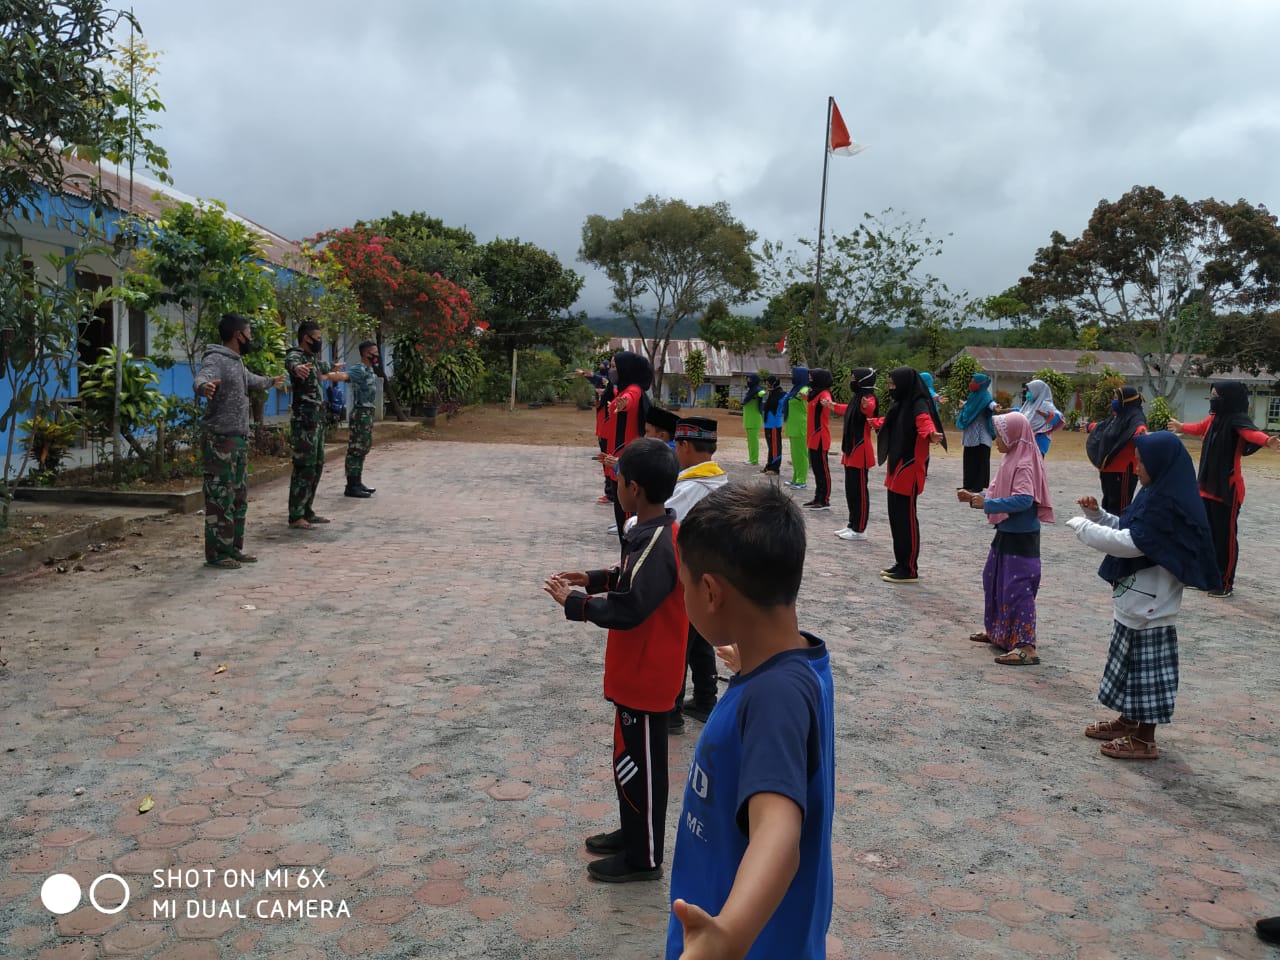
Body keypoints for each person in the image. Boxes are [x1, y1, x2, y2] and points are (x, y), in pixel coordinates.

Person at [665, 482, 834, 959]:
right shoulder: (793, 665)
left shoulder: (775, 695)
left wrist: (727, 936)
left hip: (744, 944)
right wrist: (750, 665)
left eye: (684, 587)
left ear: (711, 592)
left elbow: (778, 830)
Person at [545, 438, 687, 883]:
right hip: (638, 672)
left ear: (635, 488)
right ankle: (633, 833)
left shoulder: (658, 542)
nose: (615, 484)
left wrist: (578, 603)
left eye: (618, 478)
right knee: (631, 764)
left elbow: (630, 607)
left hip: (648, 674)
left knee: (641, 769)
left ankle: (643, 858)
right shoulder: (650, 529)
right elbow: (630, 578)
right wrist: (593, 577)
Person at [1065, 431, 1221, 760]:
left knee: (1147, 671)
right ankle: (1128, 720)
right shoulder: (1153, 493)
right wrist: (1098, 516)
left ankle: (1145, 739)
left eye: (1141, 460)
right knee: (1127, 663)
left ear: (1160, 463)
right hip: (1135, 600)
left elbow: (1134, 543)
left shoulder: (1170, 504)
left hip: (1153, 605)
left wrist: (1085, 528)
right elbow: (1129, 526)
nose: (1135, 466)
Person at [956, 413, 1053, 665]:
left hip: (1021, 537)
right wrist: (976, 495)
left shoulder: (1024, 463)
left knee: (1018, 589)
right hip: (1007, 532)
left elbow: (1023, 499)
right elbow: (1004, 490)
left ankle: (1025, 646)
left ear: (1013, 435)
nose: (997, 440)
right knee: (994, 579)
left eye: (1000, 435)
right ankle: (999, 632)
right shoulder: (1013, 457)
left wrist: (987, 503)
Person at [1168, 381, 1280, 597]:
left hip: (1228, 489)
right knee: (1206, 536)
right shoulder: (1214, 419)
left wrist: (1267, 441)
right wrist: (1182, 427)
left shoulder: (1238, 421)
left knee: (1224, 538)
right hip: (1206, 488)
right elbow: (1199, 427)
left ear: (1228, 398)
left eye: (1215, 395)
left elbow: (1251, 435)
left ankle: (1224, 582)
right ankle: (1205, 578)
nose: (1212, 399)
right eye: (1211, 395)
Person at [193, 313, 285, 569]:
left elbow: (250, 379)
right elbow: (202, 377)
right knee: (220, 496)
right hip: (220, 440)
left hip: (238, 439)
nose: (251, 338)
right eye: (249, 333)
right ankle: (217, 554)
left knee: (238, 497)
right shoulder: (216, 359)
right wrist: (204, 387)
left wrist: (270, 381)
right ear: (238, 335)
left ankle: (234, 548)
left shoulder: (236, 362)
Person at [662, 416, 729, 734]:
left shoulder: (689, 488)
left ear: (685, 446)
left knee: (678, 642)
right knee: (700, 639)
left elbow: (661, 522)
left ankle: (671, 709)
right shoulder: (720, 481)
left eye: (677, 445)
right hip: (713, 577)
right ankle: (704, 699)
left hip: (688, 577)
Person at [872, 367, 946, 583]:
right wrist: (875, 423)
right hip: (897, 466)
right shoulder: (902, 403)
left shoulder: (919, 403)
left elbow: (925, 422)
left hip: (910, 468)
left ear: (904, 384)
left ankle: (910, 568)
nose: (891, 388)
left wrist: (930, 434)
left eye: (893, 384)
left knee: (907, 519)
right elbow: (892, 421)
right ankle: (900, 562)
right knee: (896, 517)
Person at [285, 321, 349, 530]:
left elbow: (324, 367)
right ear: (306, 338)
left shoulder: (313, 360)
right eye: (317, 338)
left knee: (316, 465)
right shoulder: (296, 356)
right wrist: (297, 369)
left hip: (317, 421)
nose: (320, 342)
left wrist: (334, 368)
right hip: (305, 421)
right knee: (304, 466)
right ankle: (296, 514)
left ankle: (307, 510)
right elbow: (292, 363)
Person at [599, 351, 653, 544]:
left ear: (626, 369)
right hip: (616, 464)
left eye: (614, 367)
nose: (611, 370)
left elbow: (630, 398)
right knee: (620, 513)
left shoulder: (633, 391)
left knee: (629, 529)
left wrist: (624, 402)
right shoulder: (620, 390)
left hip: (626, 465)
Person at [828, 368, 878, 541]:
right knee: (851, 490)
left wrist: (866, 406)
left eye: (854, 378)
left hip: (861, 450)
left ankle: (860, 528)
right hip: (850, 449)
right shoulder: (857, 398)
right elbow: (848, 409)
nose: (852, 380)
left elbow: (870, 407)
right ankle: (852, 524)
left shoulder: (869, 397)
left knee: (860, 492)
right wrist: (832, 406)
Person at [1085, 386, 1147, 514]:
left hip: (1123, 471)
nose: (1114, 401)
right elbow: (1106, 427)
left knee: (1120, 509)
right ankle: (1108, 533)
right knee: (1108, 504)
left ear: (1126, 400)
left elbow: (1139, 426)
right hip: (1109, 468)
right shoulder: (1118, 416)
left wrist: (1141, 432)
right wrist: (1090, 426)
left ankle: (1119, 532)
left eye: (1116, 398)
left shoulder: (1135, 415)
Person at [343, 340, 381, 499]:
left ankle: (357, 482)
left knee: (363, 448)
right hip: (360, 413)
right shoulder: (358, 369)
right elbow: (346, 376)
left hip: (367, 413)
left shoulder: (369, 370)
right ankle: (351, 485)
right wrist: (328, 374)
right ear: (366, 354)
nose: (377, 356)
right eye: (375, 353)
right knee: (356, 449)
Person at [577, 363, 615, 505]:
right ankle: (610, 491)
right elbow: (594, 379)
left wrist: (589, 374)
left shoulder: (609, 384)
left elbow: (600, 379)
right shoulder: (604, 383)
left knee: (608, 461)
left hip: (608, 431)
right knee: (605, 460)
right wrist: (584, 374)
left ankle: (611, 493)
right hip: (602, 430)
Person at [955, 372, 997, 493]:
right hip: (971, 434)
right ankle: (967, 484)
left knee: (980, 460)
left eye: (973, 381)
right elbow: (970, 406)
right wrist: (964, 405)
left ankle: (978, 486)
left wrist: (995, 407)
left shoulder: (985, 396)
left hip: (982, 435)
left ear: (981, 383)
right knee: (969, 459)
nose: (971, 383)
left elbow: (990, 404)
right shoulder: (973, 395)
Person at [802, 368, 835, 510]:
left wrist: (827, 402)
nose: (810, 380)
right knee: (816, 469)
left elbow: (827, 402)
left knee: (823, 470)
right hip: (812, 437)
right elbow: (811, 400)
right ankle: (817, 497)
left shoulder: (824, 393)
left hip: (821, 436)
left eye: (812, 378)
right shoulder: (814, 393)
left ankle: (825, 499)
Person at [1015, 379, 1064, 456]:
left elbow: (1057, 418)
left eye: (1030, 391)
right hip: (1026, 441)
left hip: (1039, 442)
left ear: (1037, 391)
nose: (1028, 393)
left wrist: (1046, 415)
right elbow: (1022, 412)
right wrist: (1008, 411)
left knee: (1036, 466)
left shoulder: (1046, 404)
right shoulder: (1029, 404)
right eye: (1027, 391)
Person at [782, 366, 810, 489]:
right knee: (795, 454)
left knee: (801, 455)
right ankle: (795, 478)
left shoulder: (805, 389)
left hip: (800, 426)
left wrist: (803, 394)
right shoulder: (795, 389)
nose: (792, 377)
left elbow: (806, 397)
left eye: (794, 375)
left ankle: (802, 480)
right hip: (793, 425)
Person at [761, 375, 786, 475]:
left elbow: (783, 407)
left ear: (774, 383)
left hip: (775, 424)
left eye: (768, 383)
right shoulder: (772, 394)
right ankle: (769, 466)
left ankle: (775, 468)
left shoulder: (782, 394)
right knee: (771, 447)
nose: (767, 385)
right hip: (768, 424)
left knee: (775, 447)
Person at [741, 373, 766, 466]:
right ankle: (751, 458)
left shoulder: (757, 391)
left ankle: (754, 459)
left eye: (750, 380)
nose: (748, 381)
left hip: (754, 420)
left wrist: (762, 392)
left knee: (754, 441)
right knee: (750, 441)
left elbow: (762, 392)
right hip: (748, 419)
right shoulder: (751, 391)